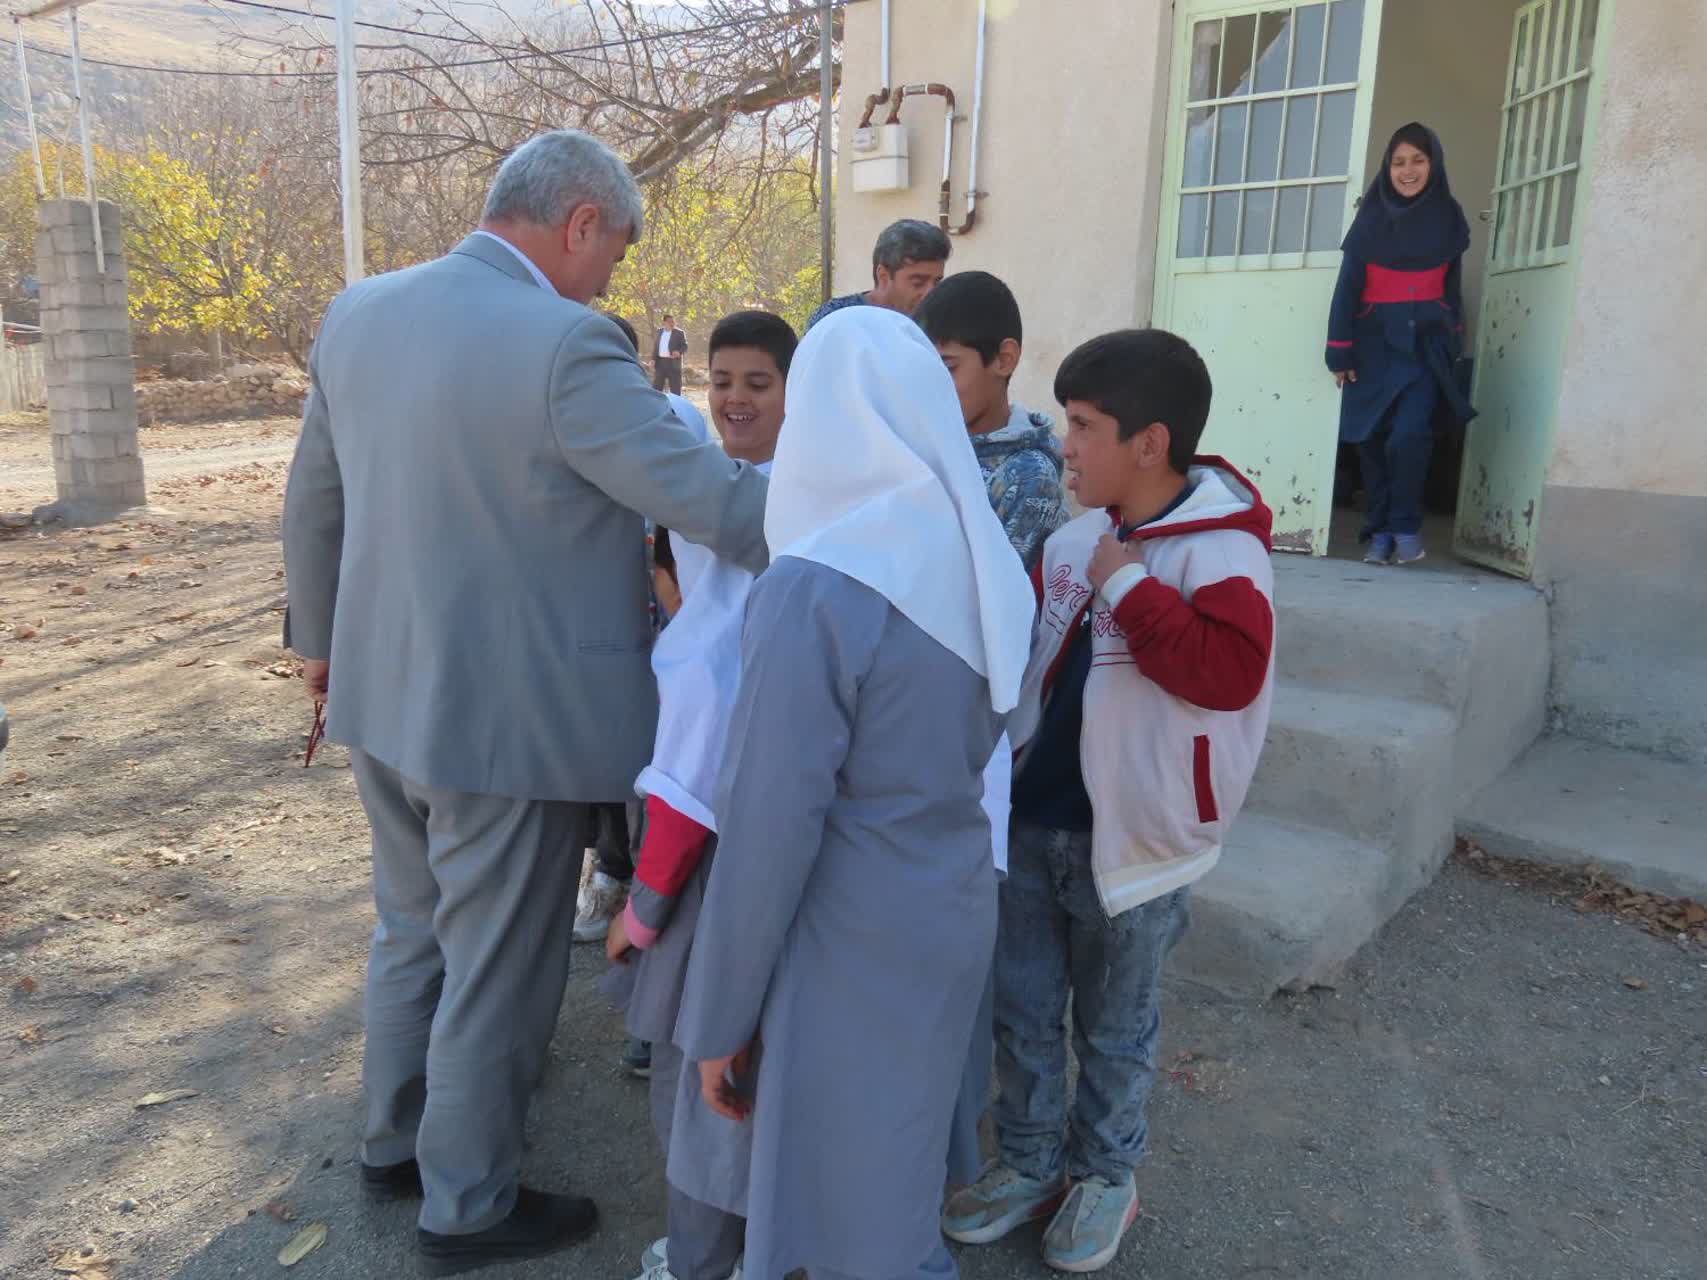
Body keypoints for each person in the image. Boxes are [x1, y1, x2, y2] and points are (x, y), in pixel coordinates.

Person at [280, 129, 769, 1278]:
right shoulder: (566, 345)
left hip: (379, 692)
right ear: (580, 222)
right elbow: (710, 499)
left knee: (411, 931)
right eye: (614, 251)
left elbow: (315, 495)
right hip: (507, 719)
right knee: (499, 962)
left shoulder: (361, 311)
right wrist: (863, 509)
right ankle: (466, 1202)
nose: (612, 280)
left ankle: (392, 1143)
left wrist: (319, 645)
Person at [671, 307, 1037, 1280]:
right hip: (947, 904)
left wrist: (717, 1017)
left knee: (856, 1227)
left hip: (843, 932)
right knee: (896, 1177)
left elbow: (767, 826)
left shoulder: (818, 585)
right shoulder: (975, 553)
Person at [943, 329, 1275, 1274]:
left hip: (1138, 843)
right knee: (1024, 1008)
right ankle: (1031, 1159)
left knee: (1116, 1026)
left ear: (1150, 443)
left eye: (1083, 427)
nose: (1065, 447)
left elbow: (1223, 673)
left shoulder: (1221, 555)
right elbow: (1024, 660)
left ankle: (1104, 1178)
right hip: (1034, 821)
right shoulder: (1075, 536)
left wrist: (1125, 584)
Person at [603, 309, 798, 1280]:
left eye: (758, 382)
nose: (733, 398)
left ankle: (700, 1256)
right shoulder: (782, 500)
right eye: (721, 379)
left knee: (701, 1070)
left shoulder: (763, 522)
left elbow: (699, 758)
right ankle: (761, 1244)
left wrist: (642, 907)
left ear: (797, 394)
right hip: (768, 844)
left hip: (710, 860)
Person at [914, 267, 1069, 1193]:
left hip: (981, 735)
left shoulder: (1026, 479)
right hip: (930, 729)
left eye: (952, 366)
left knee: (977, 954)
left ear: (1005, 361)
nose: (939, 386)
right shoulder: (935, 444)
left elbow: (974, 612)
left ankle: (969, 1136)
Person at [573, 313, 717, 955]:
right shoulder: (559, 429)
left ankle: (633, 882)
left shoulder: (672, 424)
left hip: (662, 636)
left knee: (656, 769)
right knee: (602, 767)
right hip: (594, 636)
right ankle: (610, 869)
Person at [1325, 122, 1476, 566]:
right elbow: (1347, 289)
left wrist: (1452, 336)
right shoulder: (1369, 220)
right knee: (1371, 443)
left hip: (1424, 351)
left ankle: (1406, 526)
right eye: (1399, 161)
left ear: (1435, 164)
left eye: (1418, 160)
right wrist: (1339, 349)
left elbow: (1452, 290)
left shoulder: (1449, 217)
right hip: (1371, 350)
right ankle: (1379, 532)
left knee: (1409, 437)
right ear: (1387, 168)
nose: (1408, 170)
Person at [804, 218, 950, 330]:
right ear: (884, 276)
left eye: (937, 282)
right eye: (918, 283)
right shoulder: (834, 319)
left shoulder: (937, 326)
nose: (930, 293)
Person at [655, 314, 689, 394]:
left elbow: (685, 346)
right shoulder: (659, 332)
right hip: (660, 363)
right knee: (657, 388)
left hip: (673, 363)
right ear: (664, 322)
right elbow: (656, 347)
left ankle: (676, 405)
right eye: (669, 322)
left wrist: (679, 352)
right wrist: (653, 359)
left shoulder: (679, 333)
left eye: (673, 322)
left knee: (675, 389)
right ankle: (656, 405)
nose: (672, 323)